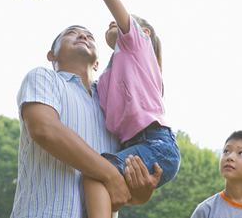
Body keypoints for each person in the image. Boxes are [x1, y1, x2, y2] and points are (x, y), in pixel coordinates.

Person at [65, 0, 181, 217]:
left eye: (124, 21)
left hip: (156, 144)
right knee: (99, 186)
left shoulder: (136, 45)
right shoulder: (106, 78)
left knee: (94, 175)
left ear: (143, 33)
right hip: (136, 147)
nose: (112, 22)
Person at [10, 24, 163, 218]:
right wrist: (109, 174)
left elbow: (122, 183)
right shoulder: (43, 77)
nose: (82, 35)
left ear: (98, 63)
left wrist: (139, 195)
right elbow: (44, 129)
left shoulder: (113, 105)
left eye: (89, 36)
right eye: (71, 33)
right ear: (52, 55)